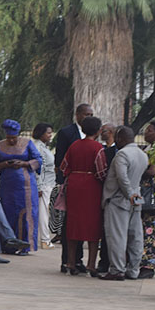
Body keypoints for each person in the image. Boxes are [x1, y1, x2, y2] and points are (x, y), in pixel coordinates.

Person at [100, 126, 148, 281]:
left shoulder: (122, 154)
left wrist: (129, 195)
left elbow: (122, 178)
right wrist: (134, 196)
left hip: (119, 199)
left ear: (120, 139)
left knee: (117, 236)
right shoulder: (142, 154)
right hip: (137, 198)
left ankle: (117, 270)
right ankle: (133, 269)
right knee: (136, 236)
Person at [60, 116, 106, 277]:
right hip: (91, 187)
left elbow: (64, 167)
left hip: (74, 185)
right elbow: (101, 172)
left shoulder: (74, 145)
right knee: (93, 225)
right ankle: (91, 264)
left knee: (73, 223)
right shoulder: (98, 147)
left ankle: (70, 262)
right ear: (98, 130)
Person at [0, 119, 43, 254]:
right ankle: (9, 245)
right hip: (7, 186)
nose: (11, 141)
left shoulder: (27, 143)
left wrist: (23, 164)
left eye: (13, 138)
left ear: (18, 135)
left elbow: (38, 160)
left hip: (26, 186)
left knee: (26, 213)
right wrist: (5, 165)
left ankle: (26, 246)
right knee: (7, 213)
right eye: (9, 138)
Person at [54, 104, 94, 273]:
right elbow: (60, 159)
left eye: (91, 114)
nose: (89, 117)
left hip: (88, 186)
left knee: (83, 223)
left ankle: (78, 261)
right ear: (77, 115)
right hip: (70, 183)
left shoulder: (93, 133)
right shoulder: (66, 132)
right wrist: (63, 181)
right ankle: (67, 261)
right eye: (86, 114)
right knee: (69, 223)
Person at [97, 123, 118, 273]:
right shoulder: (102, 149)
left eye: (103, 131)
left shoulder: (116, 151)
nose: (100, 133)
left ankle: (107, 261)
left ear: (109, 132)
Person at [139, 121, 155, 279]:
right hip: (146, 195)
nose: (146, 133)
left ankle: (148, 265)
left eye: (149, 130)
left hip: (152, 196)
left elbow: (152, 172)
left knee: (150, 231)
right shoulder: (148, 149)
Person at [32, 123, 56, 249]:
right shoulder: (38, 148)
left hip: (49, 183)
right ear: (41, 133)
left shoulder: (44, 147)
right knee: (43, 212)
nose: (50, 135)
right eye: (48, 132)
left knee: (46, 212)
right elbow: (38, 169)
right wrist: (39, 186)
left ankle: (45, 239)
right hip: (44, 184)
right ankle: (45, 240)